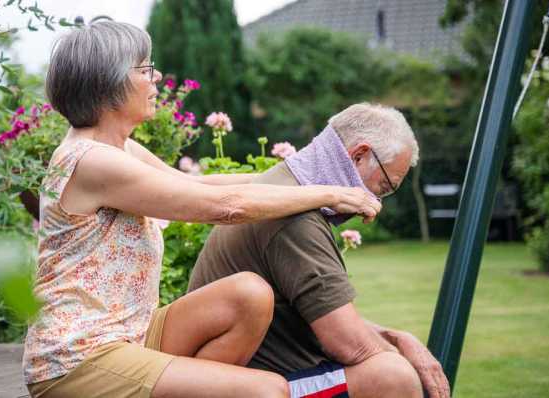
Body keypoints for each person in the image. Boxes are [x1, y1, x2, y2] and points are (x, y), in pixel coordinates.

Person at [22, 20, 382, 398]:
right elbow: (224, 207)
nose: (157, 76)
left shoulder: (116, 148)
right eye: (145, 69)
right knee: (266, 391)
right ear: (108, 83)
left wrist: (302, 181)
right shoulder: (92, 161)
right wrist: (328, 195)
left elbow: (198, 185)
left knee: (250, 295)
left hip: (130, 333)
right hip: (76, 359)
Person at [189, 103, 451, 398]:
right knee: (396, 377)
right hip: (249, 386)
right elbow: (348, 344)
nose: (378, 203)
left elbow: (329, 319)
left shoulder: (281, 187)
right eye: (384, 187)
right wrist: (407, 361)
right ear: (359, 156)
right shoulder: (298, 221)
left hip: (243, 375)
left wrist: (398, 339)